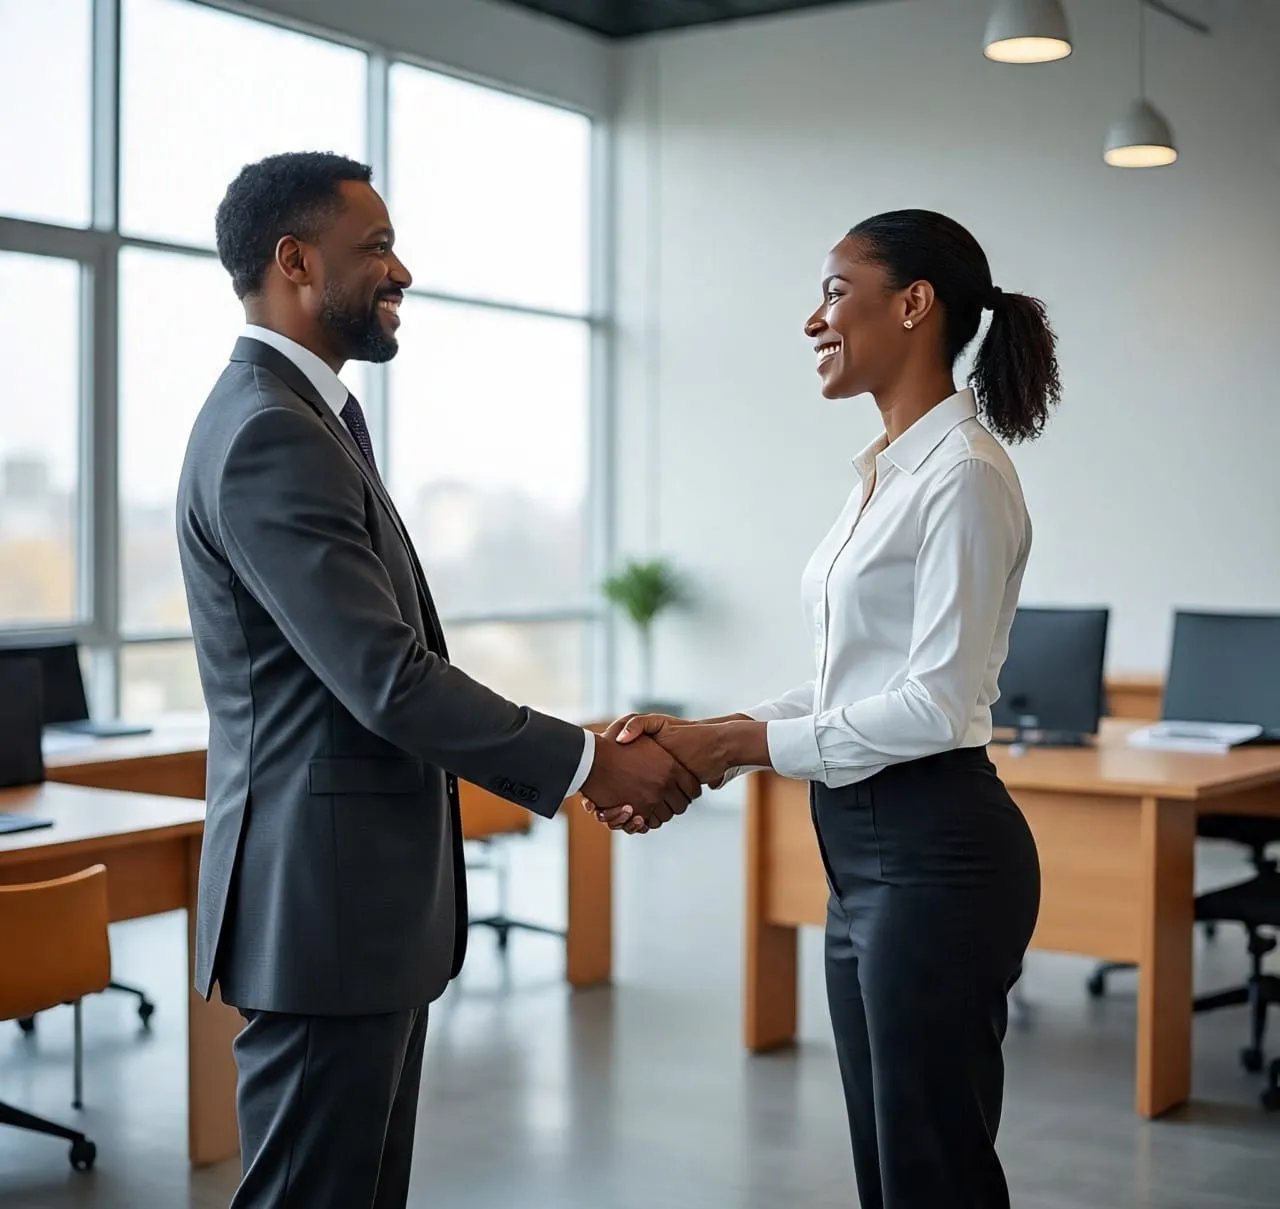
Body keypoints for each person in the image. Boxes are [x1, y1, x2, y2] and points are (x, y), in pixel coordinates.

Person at [176, 151, 700, 1209]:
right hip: (322, 914)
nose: (400, 270)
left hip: (348, 914)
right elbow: (388, 679)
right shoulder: (272, 432)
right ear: (293, 260)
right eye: (373, 247)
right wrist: (590, 761)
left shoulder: (303, 418)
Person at [592, 209, 1056, 1208]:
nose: (814, 319)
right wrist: (714, 737)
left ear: (913, 303)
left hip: (934, 853)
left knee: (932, 1171)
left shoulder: (964, 475)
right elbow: (852, 680)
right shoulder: (883, 476)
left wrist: (733, 742)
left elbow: (932, 708)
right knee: (887, 1166)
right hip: (862, 852)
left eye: (834, 291)